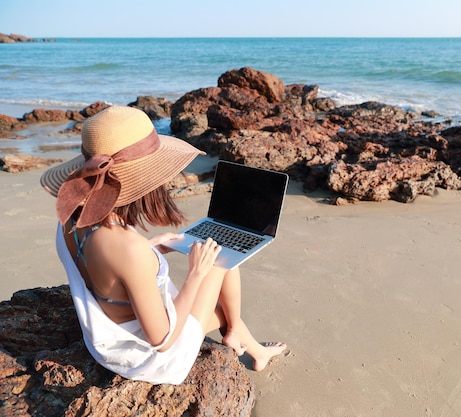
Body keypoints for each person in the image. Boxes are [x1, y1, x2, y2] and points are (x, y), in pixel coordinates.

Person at [40, 106, 286, 385]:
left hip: (109, 336)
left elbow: (107, 266)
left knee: (222, 288)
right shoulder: (128, 249)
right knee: (220, 257)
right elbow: (163, 340)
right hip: (149, 357)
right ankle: (237, 337)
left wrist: (151, 247)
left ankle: (251, 347)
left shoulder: (70, 221)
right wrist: (196, 273)